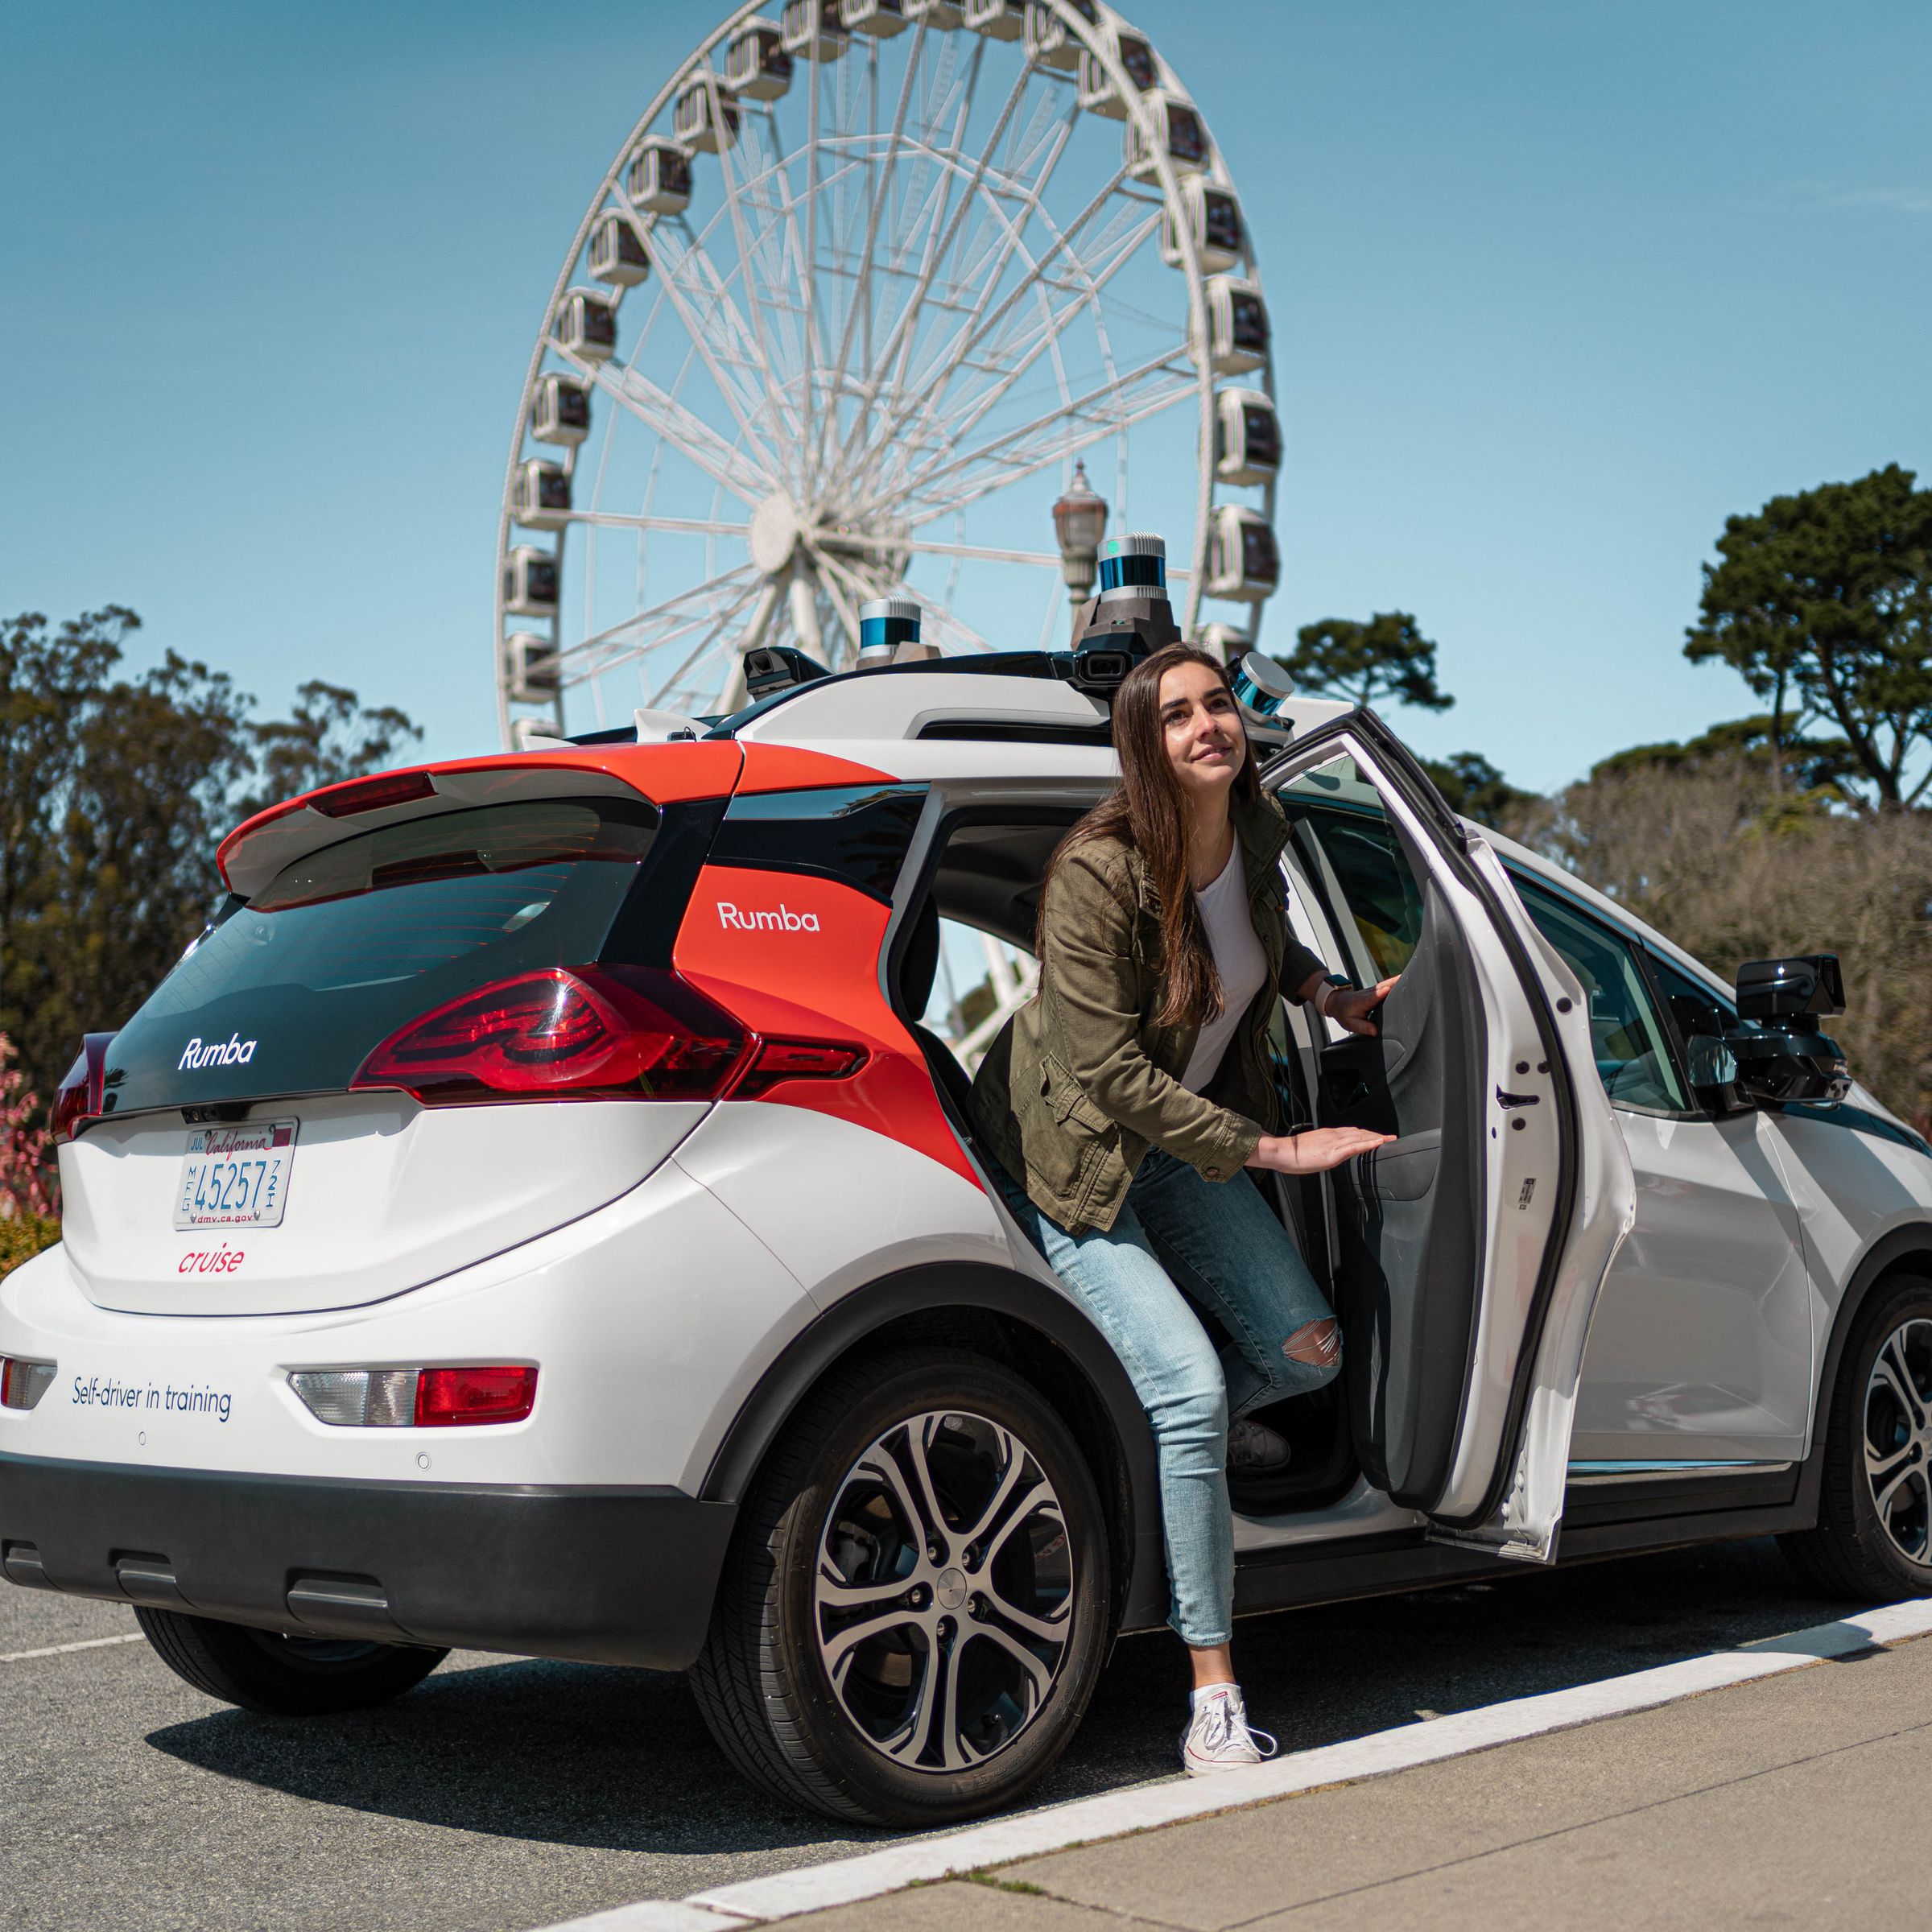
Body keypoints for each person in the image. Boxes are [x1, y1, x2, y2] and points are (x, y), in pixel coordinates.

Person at [969, 642, 1396, 1777]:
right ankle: (1213, 1700)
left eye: (1217, 705)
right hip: (1075, 1153)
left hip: (1178, 1138)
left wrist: (1331, 995)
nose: (1207, 726)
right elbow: (1106, 1071)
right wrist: (1276, 1147)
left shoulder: (1259, 833)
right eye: (1175, 718)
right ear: (1142, 748)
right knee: (1195, 1389)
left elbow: (1267, 938)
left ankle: (1171, 1432)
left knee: (1307, 1354)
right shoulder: (1097, 875)